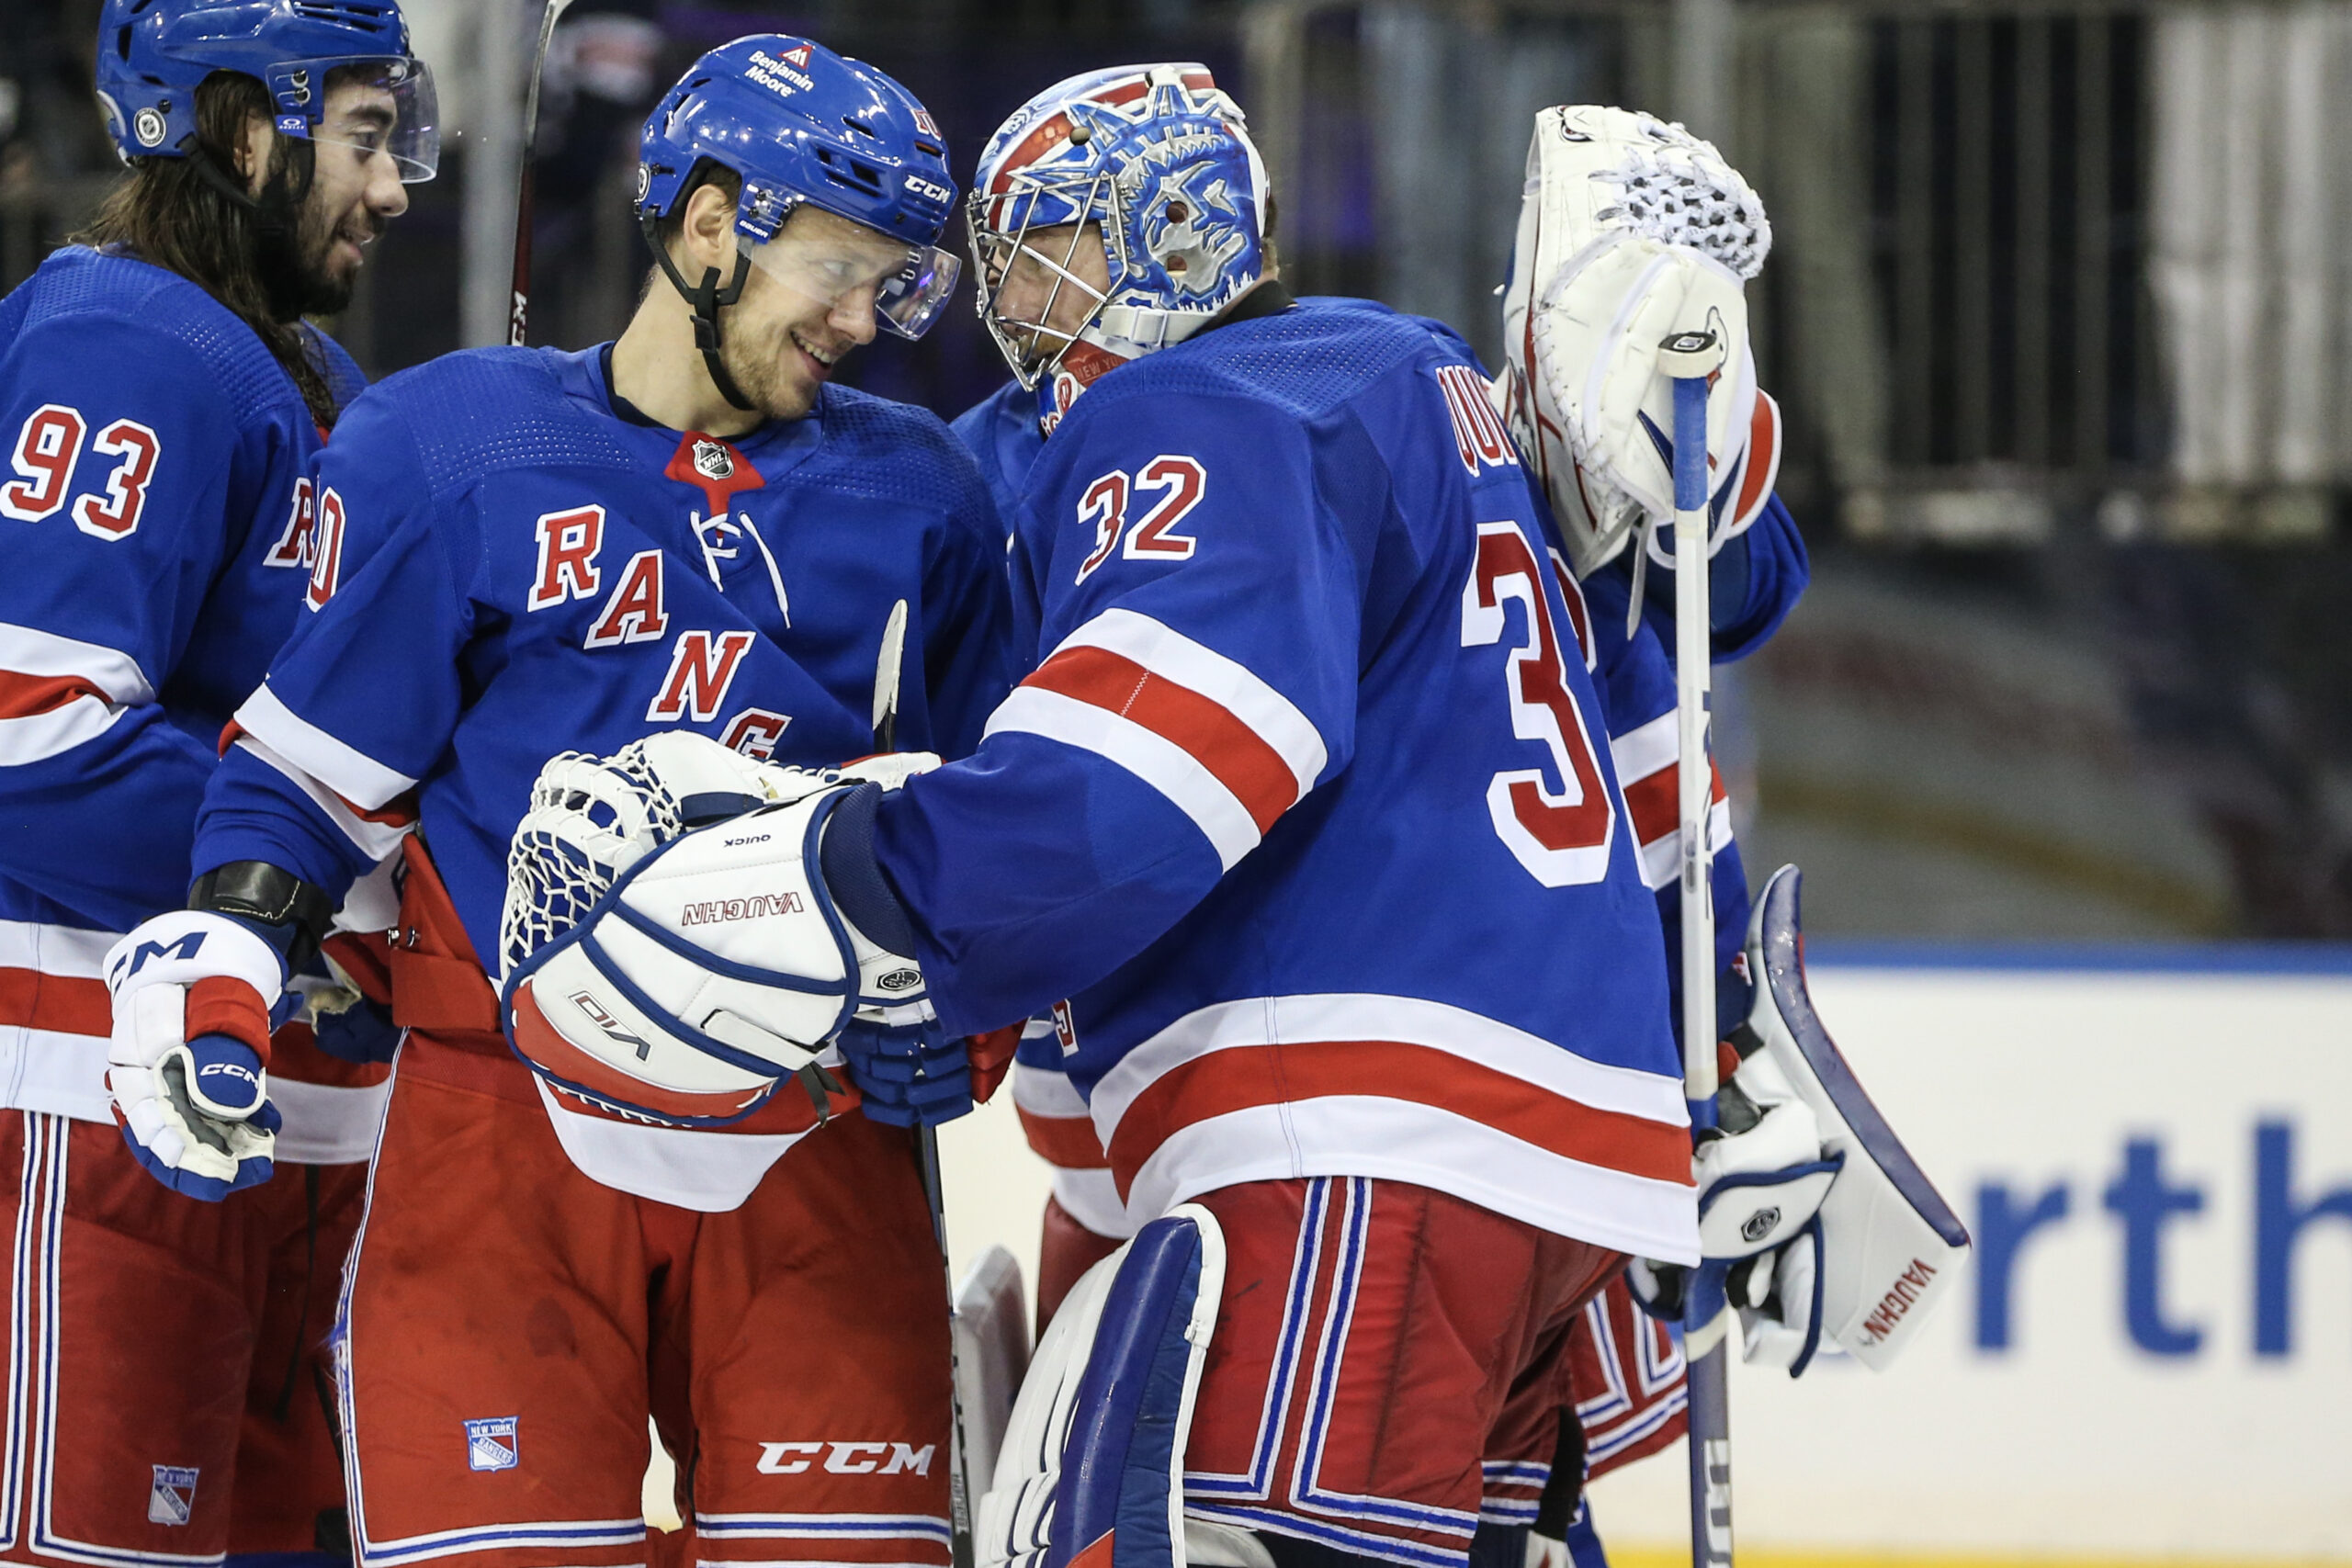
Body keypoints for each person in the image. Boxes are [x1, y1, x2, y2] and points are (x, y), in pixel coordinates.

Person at [519, 62, 1705, 1568]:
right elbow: (1665, 666)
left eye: (1053, 244)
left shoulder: (1207, 406)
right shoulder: (1416, 376)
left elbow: (1154, 785)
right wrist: (1717, 1031)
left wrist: (850, 875)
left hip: (1355, 1125)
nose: (1021, 304)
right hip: (1547, 1147)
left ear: (1176, 228)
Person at [99, 34, 1012, 1566]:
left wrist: (974, 1013)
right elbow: (312, 778)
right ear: (711, 226)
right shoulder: (455, 443)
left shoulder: (925, 490)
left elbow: (1003, 822)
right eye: (841, 267)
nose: (866, 321)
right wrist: (225, 955)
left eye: (894, 282)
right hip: (499, 1130)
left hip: (819, 1136)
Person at [0, 0, 432, 1556]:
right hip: (91, 1099)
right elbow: (25, 729)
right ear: (246, 130)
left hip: (262, 1119)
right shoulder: (127, 342)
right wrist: (341, 869)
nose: (394, 190)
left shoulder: (293, 367)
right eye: (366, 136)